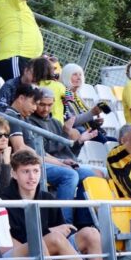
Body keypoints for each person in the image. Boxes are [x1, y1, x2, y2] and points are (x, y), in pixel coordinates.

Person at [0, 148, 131, 260]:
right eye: (25, 171)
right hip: (24, 252)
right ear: (14, 174)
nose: (32, 176)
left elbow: (64, 230)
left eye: (36, 171)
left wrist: (54, 232)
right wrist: (50, 231)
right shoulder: (5, 200)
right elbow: (18, 239)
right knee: (55, 239)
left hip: (52, 245)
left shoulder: (47, 198)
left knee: (91, 233)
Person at [28, 86, 103, 225]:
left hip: (64, 163)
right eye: (42, 104)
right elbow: (42, 152)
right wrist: (63, 160)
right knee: (71, 176)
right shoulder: (30, 122)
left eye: (49, 105)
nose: (45, 109)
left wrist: (79, 141)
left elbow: (69, 152)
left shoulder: (56, 123)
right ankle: (64, 223)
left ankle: (84, 221)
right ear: (35, 102)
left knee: (95, 175)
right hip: (48, 163)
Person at [4, 83, 80, 209]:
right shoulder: (11, 116)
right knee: (70, 175)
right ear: (21, 98)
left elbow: (40, 151)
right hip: (27, 165)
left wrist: (61, 161)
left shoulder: (23, 117)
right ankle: (63, 218)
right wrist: (59, 164)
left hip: (37, 161)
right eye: (33, 103)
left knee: (86, 173)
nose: (35, 108)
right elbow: (20, 149)